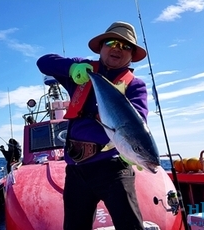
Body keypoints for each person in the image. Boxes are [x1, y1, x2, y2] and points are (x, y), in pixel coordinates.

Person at [36, 21, 148, 230]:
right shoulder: (83, 70)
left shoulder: (135, 85)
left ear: (132, 55)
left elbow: (138, 121)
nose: (117, 48)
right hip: (77, 169)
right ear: (101, 47)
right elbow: (43, 62)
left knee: (131, 226)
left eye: (126, 46)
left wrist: (132, 150)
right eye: (112, 42)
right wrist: (71, 68)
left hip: (114, 168)